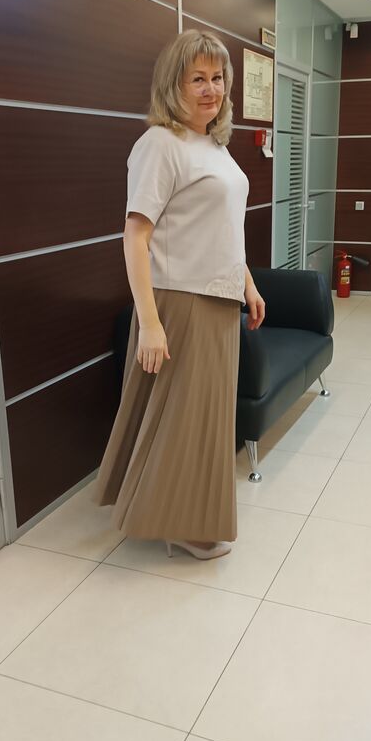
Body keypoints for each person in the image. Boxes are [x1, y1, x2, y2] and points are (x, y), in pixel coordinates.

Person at [94, 28, 265, 559]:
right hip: (182, 300)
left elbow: (222, 225)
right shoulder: (160, 144)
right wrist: (150, 323)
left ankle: (179, 514)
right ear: (174, 84)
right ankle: (181, 525)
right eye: (198, 79)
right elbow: (135, 236)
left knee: (205, 418)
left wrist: (247, 283)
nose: (211, 89)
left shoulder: (213, 145)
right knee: (187, 419)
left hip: (218, 300)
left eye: (218, 78)